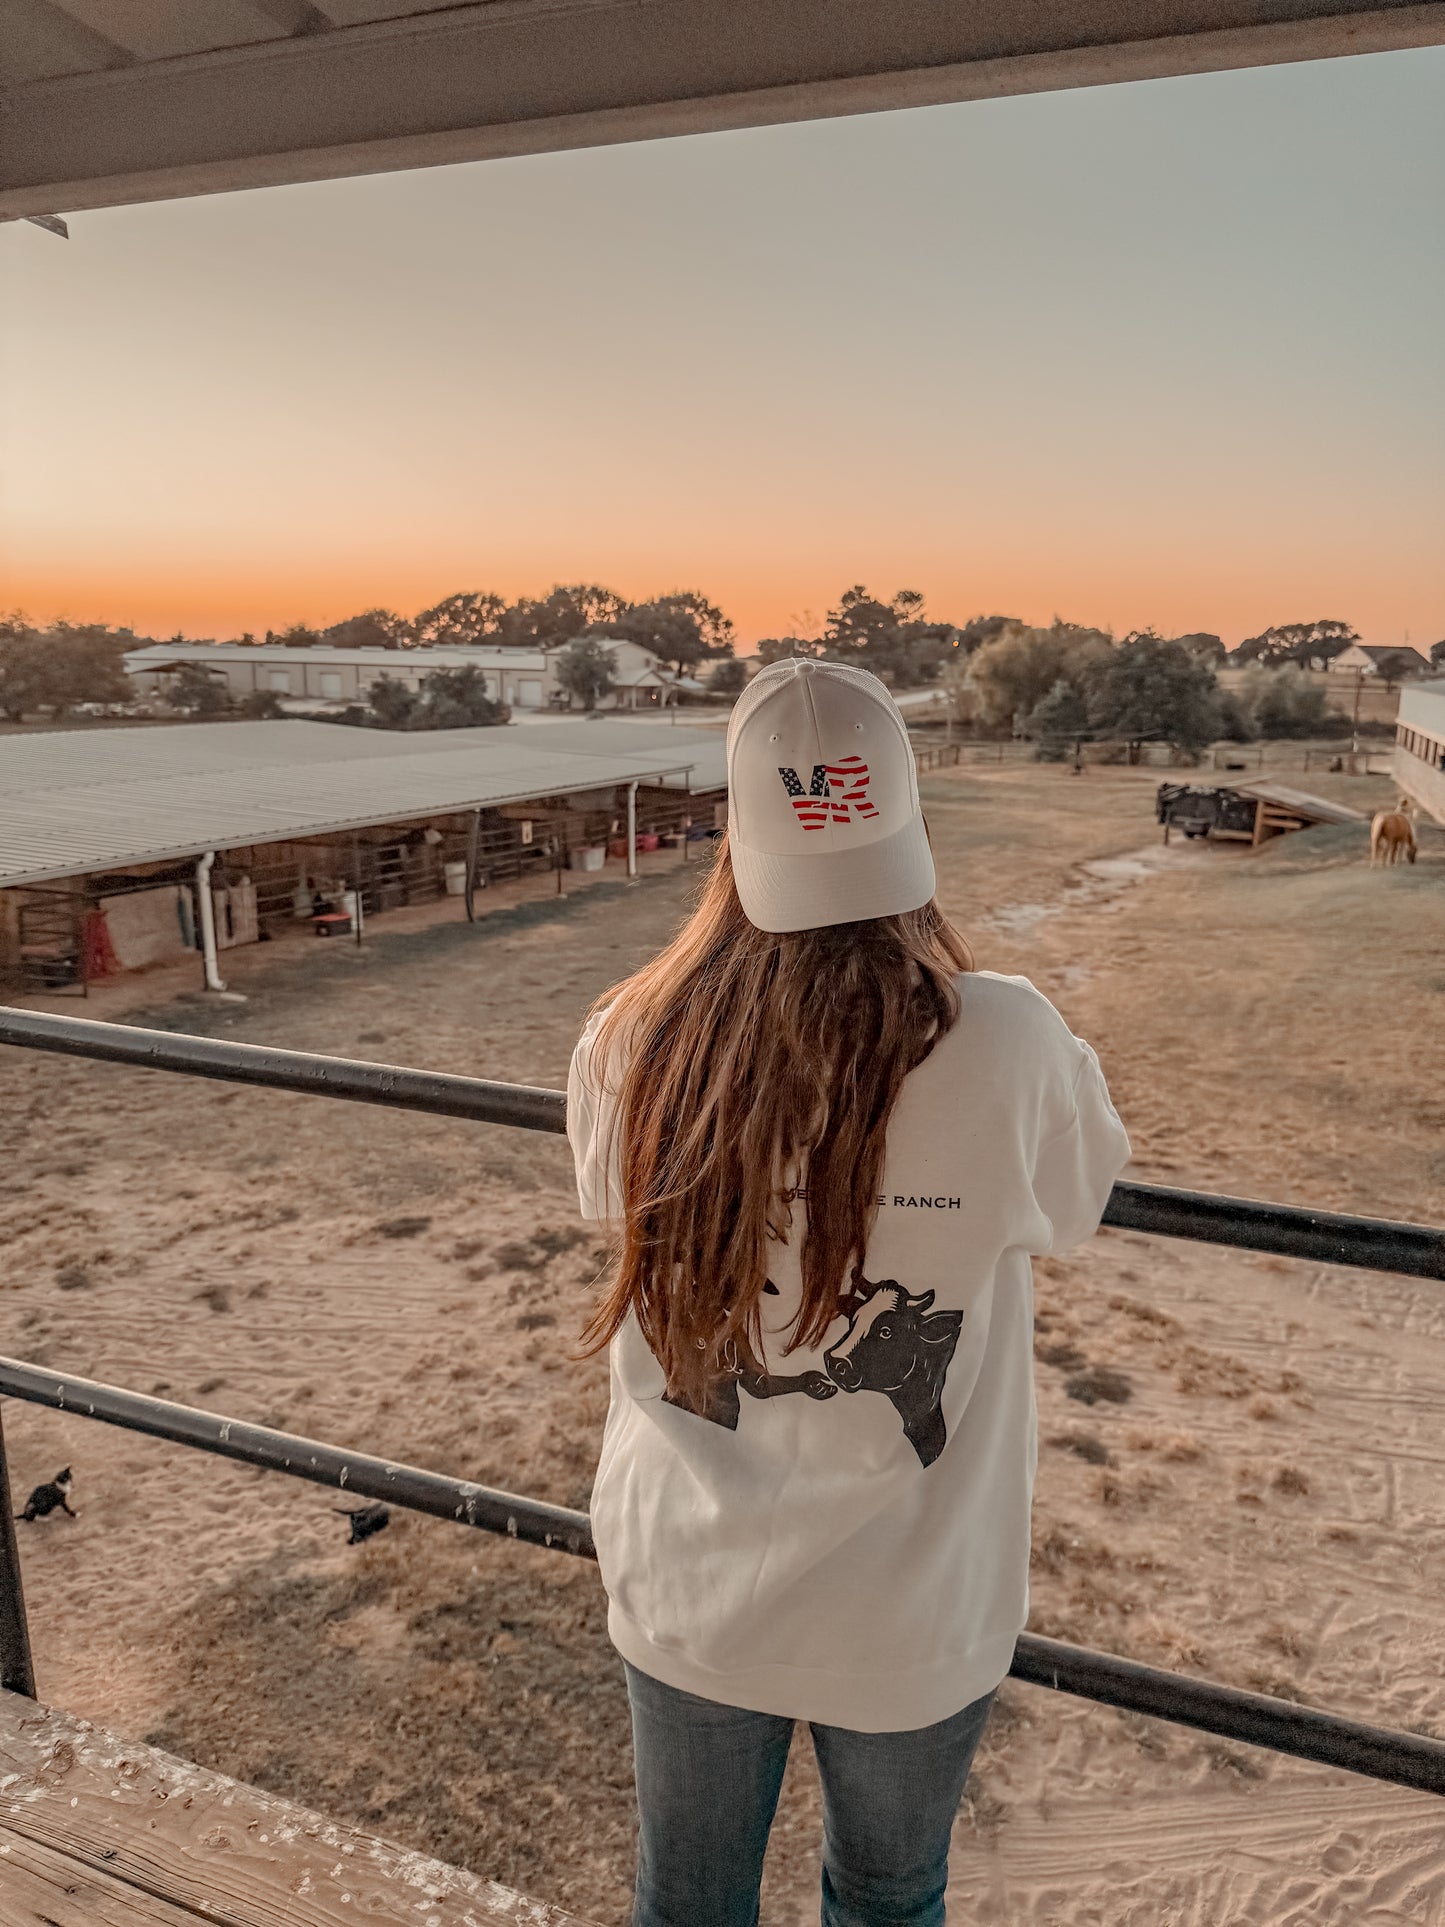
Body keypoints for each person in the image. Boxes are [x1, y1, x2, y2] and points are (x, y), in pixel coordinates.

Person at [566, 659, 1130, 1927]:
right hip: (916, 1600)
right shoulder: (1009, 1036)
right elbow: (1080, 1197)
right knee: (887, 1897)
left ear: (732, 830)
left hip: (689, 1578)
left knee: (687, 1904)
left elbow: (621, 1218)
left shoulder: (627, 1042)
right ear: (909, 818)